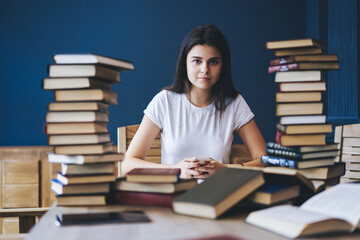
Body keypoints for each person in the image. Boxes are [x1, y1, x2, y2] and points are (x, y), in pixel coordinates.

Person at [122, 24, 266, 179]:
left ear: (223, 65)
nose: (205, 69)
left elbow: (265, 161)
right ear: (185, 63)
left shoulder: (235, 103)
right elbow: (128, 165)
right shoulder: (164, 101)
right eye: (197, 61)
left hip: (219, 197)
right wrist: (175, 170)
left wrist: (225, 169)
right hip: (172, 196)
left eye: (213, 62)